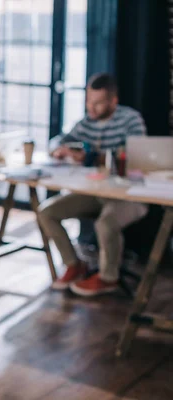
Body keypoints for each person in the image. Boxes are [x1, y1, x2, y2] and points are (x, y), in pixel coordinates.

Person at [38, 73, 148, 297]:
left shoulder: (130, 120)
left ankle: (109, 278)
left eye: (98, 103)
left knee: (106, 224)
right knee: (47, 212)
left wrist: (90, 158)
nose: (92, 107)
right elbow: (59, 140)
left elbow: (135, 156)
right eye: (89, 101)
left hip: (129, 196)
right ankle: (74, 264)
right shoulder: (86, 122)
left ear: (113, 101)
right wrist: (61, 150)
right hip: (95, 193)